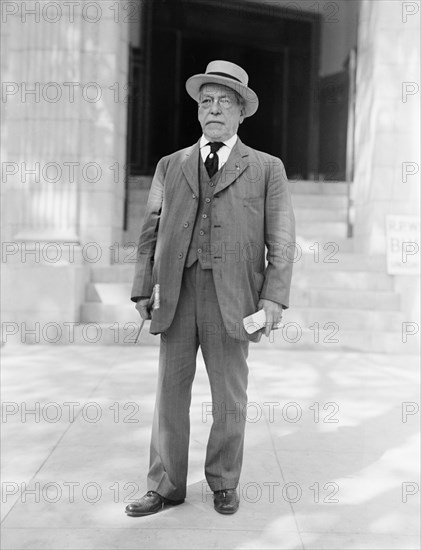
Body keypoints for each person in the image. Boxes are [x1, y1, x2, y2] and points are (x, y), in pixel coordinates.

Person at [126, 60, 295, 517]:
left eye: (224, 101)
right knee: (170, 393)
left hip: (234, 296)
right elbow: (149, 232)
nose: (213, 109)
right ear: (198, 112)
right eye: (206, 102)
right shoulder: (171, 164)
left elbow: (281, 238)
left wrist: (274, 296)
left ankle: (223, 481)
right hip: (176, 295)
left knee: (229, 397)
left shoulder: (266, 168)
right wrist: (143, 287)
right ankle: (165, 485)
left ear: (242, 112)